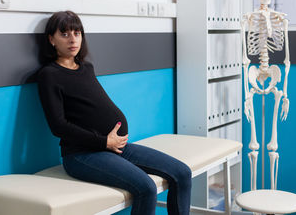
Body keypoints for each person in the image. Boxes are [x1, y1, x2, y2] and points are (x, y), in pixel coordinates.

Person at [37, 11, 192, 215]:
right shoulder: (49, 75)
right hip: (81, 155)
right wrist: (103, 142)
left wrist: (110, 143)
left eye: (77, 32)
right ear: (51, 39)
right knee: (146, 188)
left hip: (115, 147)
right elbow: (58, 126)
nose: (73, 39)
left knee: (182, 173)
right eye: (64, 34)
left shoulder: (86, 68)